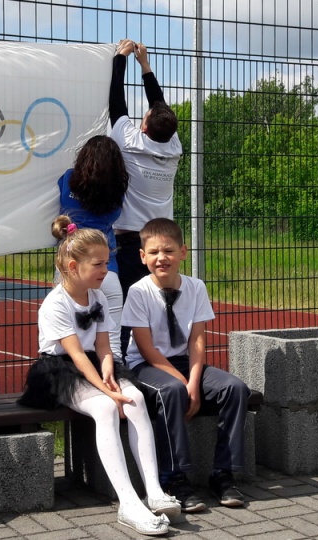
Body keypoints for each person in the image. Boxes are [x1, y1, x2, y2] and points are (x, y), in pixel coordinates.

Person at [18, 216, 179, 537]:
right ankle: (128, 502)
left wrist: (112, 377)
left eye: (107, 262)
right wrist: (109, 393)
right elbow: (76, 355)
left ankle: (154, 490)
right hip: (61, 370)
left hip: (94, 363)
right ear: (73, 265)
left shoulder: (99, 297)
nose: (106, 270)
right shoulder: (55, 304)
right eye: (98, 264)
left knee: (134, 398)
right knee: (107, 408)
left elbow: (104, 348)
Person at [121, 218, 251, 512]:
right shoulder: (139, 292)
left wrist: (193, 381)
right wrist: (182, 383)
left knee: (235, 389)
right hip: (147, 365)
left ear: (183, 252)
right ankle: (174, 478)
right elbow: (146, 349)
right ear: (142, 257)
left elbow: (197, 342)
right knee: (171, 392)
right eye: (153, 252)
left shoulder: (196, 288)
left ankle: (223, 474)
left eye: (168, 250)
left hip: (183, 362)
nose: (161, 258)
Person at [109, 39, 184, 356]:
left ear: (143, 126)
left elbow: (116, 103)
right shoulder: (174, 147)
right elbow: (160, 108)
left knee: (129, 305)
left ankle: (129, 360)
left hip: (131, 241)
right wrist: (146, 67)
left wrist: (120, 59)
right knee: (160, 302)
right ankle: (168, 354)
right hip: (160, 238)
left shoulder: (129, 141)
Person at [56, 135, 129, 358]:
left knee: (65, 340)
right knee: (112, 343)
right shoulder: (117, 193)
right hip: (107, 270)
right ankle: (116, 384)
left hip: (72, 267)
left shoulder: (68, 179)